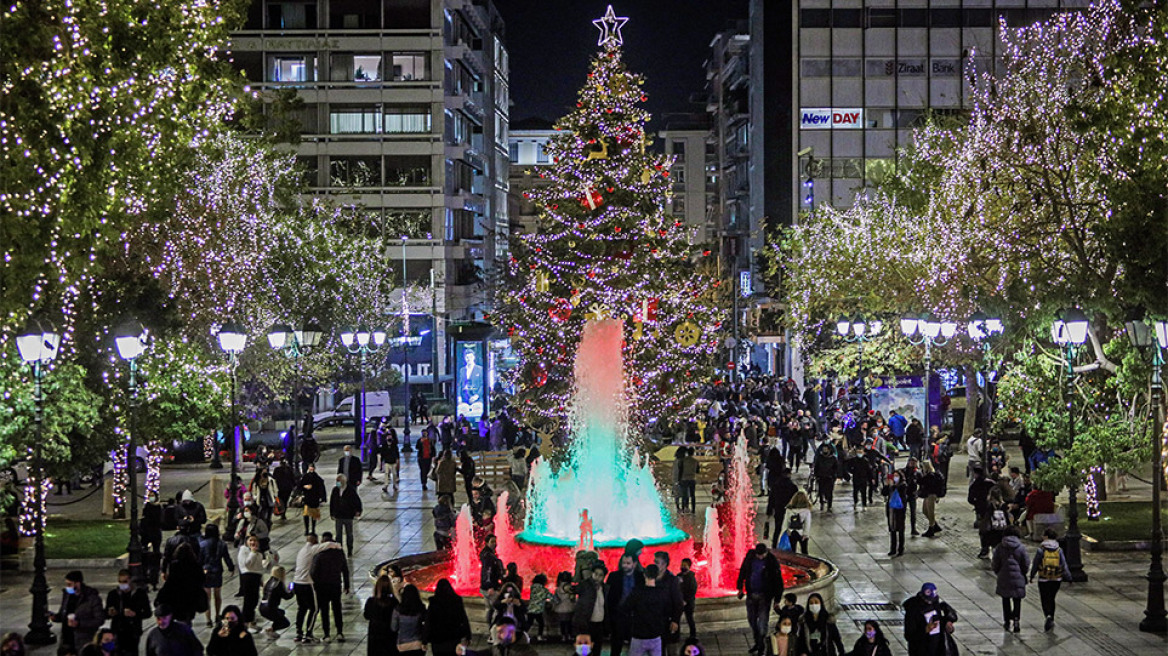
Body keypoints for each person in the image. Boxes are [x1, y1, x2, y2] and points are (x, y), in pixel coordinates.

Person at [291, 532, 342, 643]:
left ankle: (299, 633)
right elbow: (327, 544)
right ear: (314, 540)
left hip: (296, 583)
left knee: (302, 608)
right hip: (307, 584)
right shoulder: (312, 549)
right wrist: (338, 545)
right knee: (314, 609)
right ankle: (308, 634)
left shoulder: (301, 551)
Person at [737, 543, 783, 655]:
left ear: (766, 553)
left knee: (762, 622)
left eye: (762, 555)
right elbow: (743, 571)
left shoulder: (772, 562)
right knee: (752, 620)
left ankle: (761, 644)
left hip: (765, 597)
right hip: (751, 594)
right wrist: (740, 588)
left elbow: (778, 581)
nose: (760, 557)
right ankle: (758, 642)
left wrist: (777, 600)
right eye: (758, 555)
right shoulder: (750, 557)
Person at [1029, 527, 1072, 632]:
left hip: (1044, 578)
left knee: (1044, 598)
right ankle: (1051, 616)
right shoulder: (1059, 550)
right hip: (1056, 578)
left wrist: (1032, 575)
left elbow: (1035, 564)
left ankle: (1047, 615)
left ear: (1046, 537)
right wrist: (1068, 577)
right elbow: (1064, 564)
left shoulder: (1041, 550)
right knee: (1052, 598)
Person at [620, 563, 669, 656]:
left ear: (644, 574)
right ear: (657, 575)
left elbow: (625, 608)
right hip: (656, 635)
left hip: (639, 635)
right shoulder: (662, 593)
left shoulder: (637, 592)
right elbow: (666, 610)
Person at [311, 532, 350, 642]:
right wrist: (347, 585)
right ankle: (339, 632)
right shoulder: (339, 552)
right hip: (335, 584)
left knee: (324, 610)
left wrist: (313, 586)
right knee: (337, 609)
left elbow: (314, 571)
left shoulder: (319, 553)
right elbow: (345, 570)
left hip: (322, 586)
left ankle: (327, 634)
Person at [156, 542, 207, 624]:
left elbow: (170, 580)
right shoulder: (195, 565)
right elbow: (201, 580)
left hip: (176, 596)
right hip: (190, 596)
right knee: (187, 620)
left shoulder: (174, 565)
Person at [991, 525, 1029, 632]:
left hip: (1004, 577)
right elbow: (1025, 563)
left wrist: (998, 572)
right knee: (1017, 599)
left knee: (1005, 599)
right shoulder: (1021, 547)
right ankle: (1016, 620)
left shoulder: (1000, 547)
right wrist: (1023, 573)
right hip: (1018, 577)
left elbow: (995, 563)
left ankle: (1007, 621)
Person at [901, 583, 957, 656]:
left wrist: (947, 624)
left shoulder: (934, 603)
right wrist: (925, 630)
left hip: (937, 647)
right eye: (928, 600)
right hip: (921, 650)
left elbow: (938, 620)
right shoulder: (913, 610)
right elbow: (909, 636)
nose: (930, 602)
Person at [606, 554, 645, 656]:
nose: (625, 566)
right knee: (616, 645)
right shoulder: (614, 576)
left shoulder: (641, 577)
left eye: (628, 563)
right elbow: (609, 598)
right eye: (623, 563)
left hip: (634, 616)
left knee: (635, 647)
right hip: (618, 615)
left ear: (634, 564)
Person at [105, 569, 151, 656]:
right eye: (120, 581)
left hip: (133, 632)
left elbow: (148, 613)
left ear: (130, 580)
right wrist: (110, 613)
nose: (122, 584)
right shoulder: (113, 594)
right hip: (117, 630)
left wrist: (135, 614)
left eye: (125, 581)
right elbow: (106, 613)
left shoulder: (139, 594)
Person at [237, 534, 276, 629]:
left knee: (254, 600)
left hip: (256, 577)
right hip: (248, 577)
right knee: (249, 600)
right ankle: (246, 621)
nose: (253, 543)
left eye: (255, 540)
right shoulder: (244, 550)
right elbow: (247, 564)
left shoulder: (258, 553)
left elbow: (259, 567)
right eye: (251, 540)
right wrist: (253, 553)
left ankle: (250, 620)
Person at [197, 524, 233, 626]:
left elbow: (199, 560)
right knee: (217, 596)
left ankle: (208, 619)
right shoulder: (222, 544)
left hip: (206, 572)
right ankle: (217, 616)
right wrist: (231, 567)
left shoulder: (202, 544)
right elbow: (227, 558)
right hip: (217, 571)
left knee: (207, 597)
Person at [572, 563, 608, 653]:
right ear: (592, 573)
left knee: (597, 649)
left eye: (600, 575)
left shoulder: (605, 588)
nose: (597, 577)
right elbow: (574, 589)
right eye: (596, 574)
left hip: (599, 624)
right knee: (584, 651)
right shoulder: (585, 585)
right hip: (586, 624)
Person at [363, 574, 399, 656]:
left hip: (375, 635)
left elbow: (366, 615)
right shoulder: (393, 602)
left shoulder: (371, 601)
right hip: (389, 636)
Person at [329, 473, 362, 557]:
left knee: (349, 534)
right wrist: (332, 513)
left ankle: (350, 549)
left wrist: (358, 510)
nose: (337, 483)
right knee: (338, 535)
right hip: (338, 516)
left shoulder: (350, 490)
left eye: (339, 481)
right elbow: (332, 502)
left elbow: (356, 501)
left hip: (347, 515)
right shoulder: (335, 490)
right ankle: (339, 550)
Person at [391, 584, 428, 656]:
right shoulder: (420, 608)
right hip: (418, 644)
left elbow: (394, 628)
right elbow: (426, 623)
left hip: (402, 645)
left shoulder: (398, 610)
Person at [259, 566, 293, 637]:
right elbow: (287, 596)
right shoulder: (279, 584)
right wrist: (292, 589)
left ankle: (271, 630)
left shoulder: (268, 581)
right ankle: (271, 630)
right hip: (270, 609)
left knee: (281, 612)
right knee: (285, 623)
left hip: (262, 607)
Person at [479, 535, 505, 625]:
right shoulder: (488, 556)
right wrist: (490, 586)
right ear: (486, 543)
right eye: (492, 542)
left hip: (485, 586)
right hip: (490, 587)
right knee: (497, 608)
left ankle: (490, 628)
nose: (494, 544)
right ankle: (494, 628)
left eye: (495, 541)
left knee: (489, 609)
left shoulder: (486, 554)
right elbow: (488, 571)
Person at [882, 470, 908, 557]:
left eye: (897, 476)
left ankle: (901, 548)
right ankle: (893, 549)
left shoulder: (903, 485)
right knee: (892, 529)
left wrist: (893, 485)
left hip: (899, 510)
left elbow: (901, 493)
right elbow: (884, 493)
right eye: (894, 476)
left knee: (900, 529)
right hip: (891, 510)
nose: (895, 477)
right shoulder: (891, 485)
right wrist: (886, 485)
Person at [781, 490, 813, 555]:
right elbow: (807, 524)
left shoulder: (789, 510)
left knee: (792, 551)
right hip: (801, 532)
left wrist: (785, 531)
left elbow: (786, 521)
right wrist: (806, 534)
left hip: (791, 532)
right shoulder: (806, 511)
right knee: (804, 551)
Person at [298, 463, 326, 535]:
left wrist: (323, 497)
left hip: (314, 498)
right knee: (306, 515)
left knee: (314, 515)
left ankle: (313, 529)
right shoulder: (306, 477)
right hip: (307, 498)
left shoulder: (317, 478)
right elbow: (300, 485)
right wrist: (305, 487)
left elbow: (321, 488)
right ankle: (307, 529)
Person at [918, 462, 944, 538]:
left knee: (930, 511)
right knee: (925, 511)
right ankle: (935, 525)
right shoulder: (929, 475)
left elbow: (923, 482)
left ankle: (931, 528)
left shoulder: (930, 476)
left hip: (931, 495)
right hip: (928, 495)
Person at [812, 443, 839, 512]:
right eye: (824, 449)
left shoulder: (833, 458)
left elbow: (836, 468)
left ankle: (829, 506)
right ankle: (822, 503)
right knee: (821, 492)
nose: (825, 450)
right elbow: (816, 467)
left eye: (826, 449)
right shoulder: (820, 457)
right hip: (821, 477)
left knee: (829, 492)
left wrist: (834, 476)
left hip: (829, 478)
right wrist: (816, 475)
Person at [678, 558, 698, 640]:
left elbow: (693, 590)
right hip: (679, 601)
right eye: (682, 565)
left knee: (690, 619)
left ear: (689, 566)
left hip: (688, 603)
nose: (682, 567)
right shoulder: (678, 576)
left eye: (685, 565)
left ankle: (693, 635)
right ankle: (676, 634)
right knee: (676, 618)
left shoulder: (691, 577)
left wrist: (686, 601)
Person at [272, 457, 295, 523]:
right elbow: (292, 478)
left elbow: (274, 479)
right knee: (285, 501)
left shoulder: (277, 470)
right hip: (287, 488)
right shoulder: (288, 469)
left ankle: (282, 512)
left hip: (281, 488)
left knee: (281, 501)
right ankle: (283, 513)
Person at [677, 447, 700, 514]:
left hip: (684, 479)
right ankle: (693, 510)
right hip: (692, 479)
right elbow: (697, 471)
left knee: (684, 495)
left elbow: (680, 470)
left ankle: (683, 508)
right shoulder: (695, 461)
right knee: (692, 495)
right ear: (693, 453)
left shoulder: (683, 460)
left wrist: (679, 480)